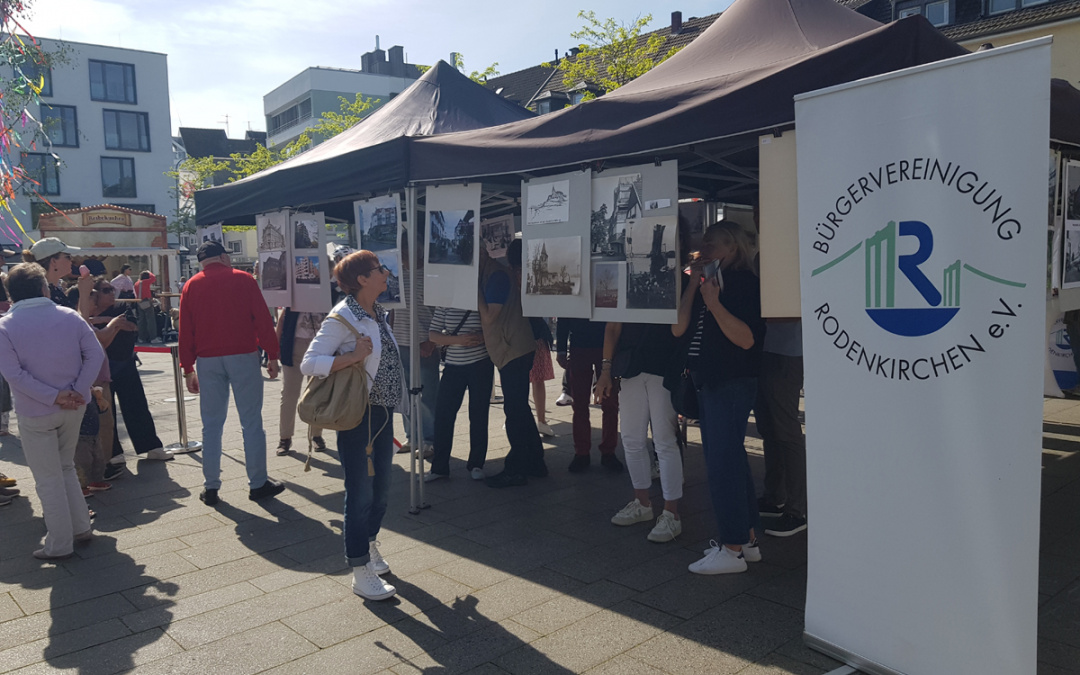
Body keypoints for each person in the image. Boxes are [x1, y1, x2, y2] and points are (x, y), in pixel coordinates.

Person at [301, 250, 406, 601]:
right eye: (380, 269)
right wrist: (351, 358)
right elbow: (309, 363)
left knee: (381, 492)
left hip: (382, 414)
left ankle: (370, 544)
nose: (386, 273)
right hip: (358, 414)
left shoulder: (376, 313)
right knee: (360, 492)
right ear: (363, 279)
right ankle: (359, 568)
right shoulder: (343, 317)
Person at [673, 221, 766, 575]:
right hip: (710, 379)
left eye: (711, 245)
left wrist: (713, 301)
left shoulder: (742, 284)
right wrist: (696, 290)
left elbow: (745, 339)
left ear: (733, 247)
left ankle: (732, 548)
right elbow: (679, 327)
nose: (702, 250)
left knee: (722, 463)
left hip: (730, 380)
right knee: (732, 461)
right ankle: (748, 540)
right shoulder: (710, 282)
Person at [0, 263, 105, 559]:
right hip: (74, 405)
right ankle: (81, 526)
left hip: (36, 410)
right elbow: (95, 353)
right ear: (44, 288)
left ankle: (58, 543)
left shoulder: (6, 326)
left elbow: (14, 375)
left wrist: (53, 396)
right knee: (65, 467)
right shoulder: (69, 316)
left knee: (47, 477)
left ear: (11, 294)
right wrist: (78, 390)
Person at [179, 241, 284, 506]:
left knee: (211, 424)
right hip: (243, 356)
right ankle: (257, 483)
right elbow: (262, 319)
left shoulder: (191, 285)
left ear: (201, 262)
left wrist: (187, 368)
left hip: (207, 360)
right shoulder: (244, 279)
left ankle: (211, 486)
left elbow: (185, 330)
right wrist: (272, 355)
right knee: (251, 421)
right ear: (224, 257)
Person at [596, 321, 684, 542]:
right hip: (631, 366)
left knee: (664, 441)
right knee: (631, 439)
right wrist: (606, 370)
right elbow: (612, 326)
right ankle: (642, 502)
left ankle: (671, 513)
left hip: (664, 365)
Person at [478, 239, 546, 488]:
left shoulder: (495, 277)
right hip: (516, 347)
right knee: (519, 408)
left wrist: (471, 290)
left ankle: (516, 469)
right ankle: (536, 462)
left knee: (514, 411)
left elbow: (488, 316)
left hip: (513, 349)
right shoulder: (497, 273)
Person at [91, 279, 172, 468]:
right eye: (106, 290)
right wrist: (112, 325)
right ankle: (113, 452)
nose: (111, 293)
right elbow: (101, 340)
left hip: (125, 362)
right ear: (95, 294)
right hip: (102, 367)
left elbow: (132, 326)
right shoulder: (86, 314)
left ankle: (150, 446)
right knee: (106, 411)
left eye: (112, 289)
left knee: (136, 405)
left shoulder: (120, 308)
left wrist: (107, 323)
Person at [426, 305, 492, 481]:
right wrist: (459, 340)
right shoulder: (445, 303)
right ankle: (439, 467)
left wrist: (481, 337)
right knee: (443, 416)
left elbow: (494, 327)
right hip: (453, 367)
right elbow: (432, 334)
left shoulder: (480, 300)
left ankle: (476, 464)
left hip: (481, 364)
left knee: (478, 414)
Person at [755, 320, 808, 537]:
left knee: (786, 429)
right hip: (765, 347)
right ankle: (775, 497)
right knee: (769, 427)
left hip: (787, 350)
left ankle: (797, 511)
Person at [391, 233, 439, 456]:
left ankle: (429, 439)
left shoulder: (430, 276)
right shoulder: (396, 276)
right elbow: (391, 310)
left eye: (404, 249)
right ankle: (412, 437)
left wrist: (432, 340)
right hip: (401, 340)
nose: (400, 253)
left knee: (427, 394)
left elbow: (439, 311)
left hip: (425, 342)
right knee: (406, 393)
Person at [557, 318, 622, 473]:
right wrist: (560, 349)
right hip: (580, 345)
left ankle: (607, 451)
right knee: (579, 403)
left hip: (604, 342)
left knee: (610, 403)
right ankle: (582, 452)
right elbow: (563, 313)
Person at [276, 308, 327, 455]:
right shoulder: (293, 295)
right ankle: (285, 437)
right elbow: (281, 321)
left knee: (317, 393)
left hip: (319, 346)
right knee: (289, 395)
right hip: (294, 346)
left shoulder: (327, 293)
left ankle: (316, 435)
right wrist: (275, 348)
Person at [529, 317, 556, 437]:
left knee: (516, 379)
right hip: (537, 332)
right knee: (538, 380)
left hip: (513, 334)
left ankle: (514, 417)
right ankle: (541, 421)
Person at [134, 270, 157, 343]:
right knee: (150, 320)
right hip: (146, 301)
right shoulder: (145, 282)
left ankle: (141, 338)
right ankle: (153, 338)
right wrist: (149, 272)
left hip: (139, 302)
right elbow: (153, 278)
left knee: (141, 321)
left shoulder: (136, 283)